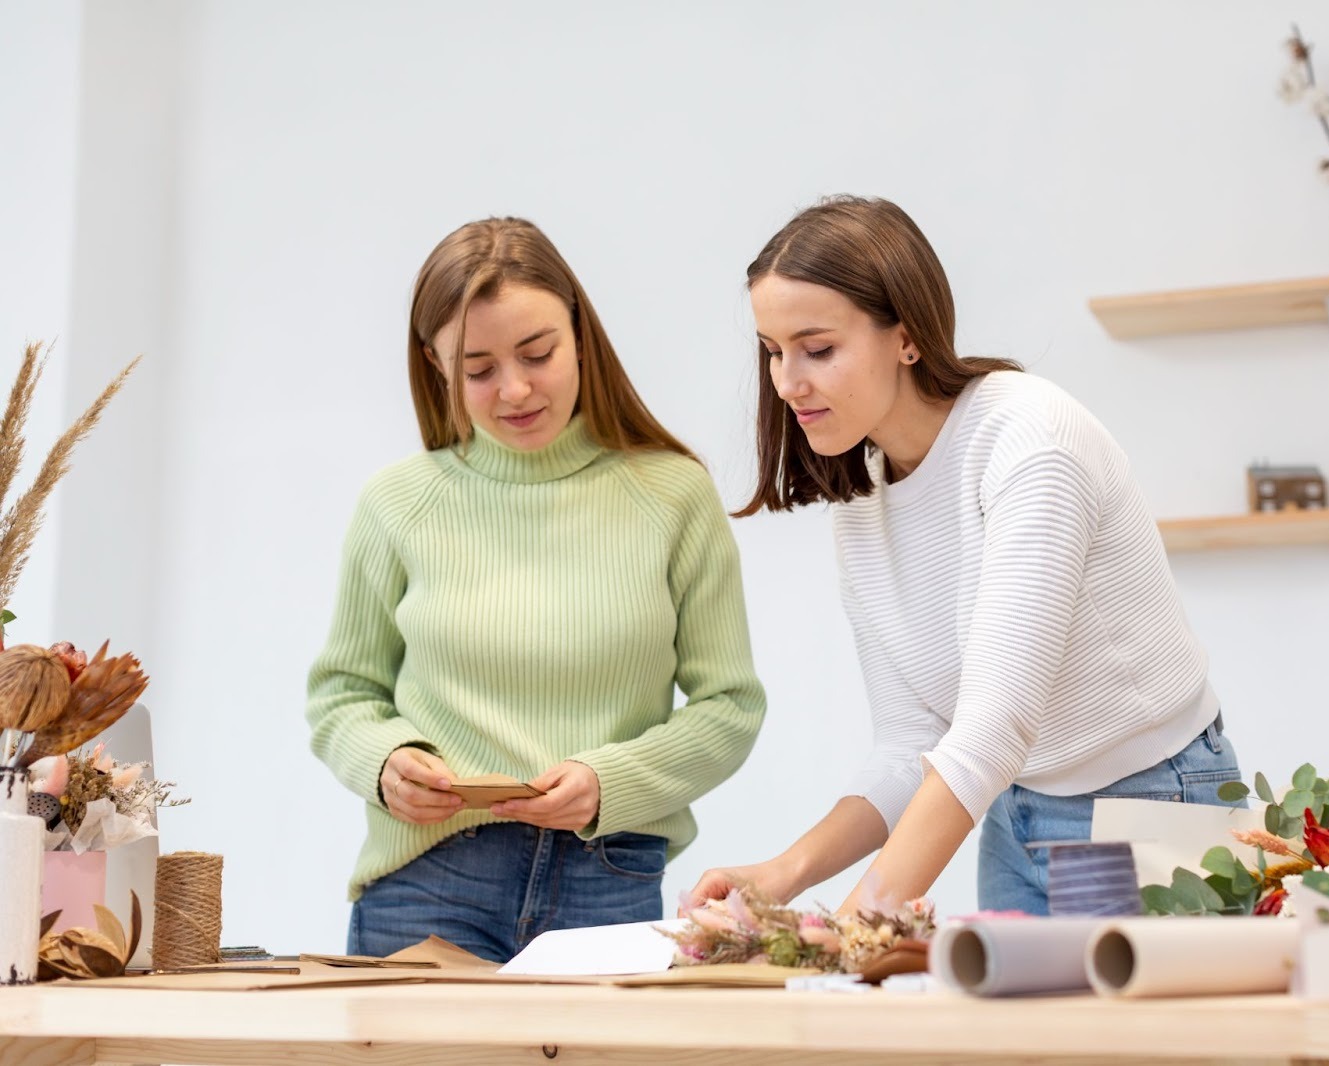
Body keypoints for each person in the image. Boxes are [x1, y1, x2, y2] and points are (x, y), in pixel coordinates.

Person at [688, 196, 1241, 917]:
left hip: (1144, 804)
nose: (787, 382)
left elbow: (990, 729)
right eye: (772, 351)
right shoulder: (865, 493)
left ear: (908, 338)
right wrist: (784, 875)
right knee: (1010, 1034)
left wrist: (857, 922)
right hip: (1017, 812)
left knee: (1121, 1035)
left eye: (817, 348)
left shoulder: (1029, 441)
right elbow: (911, 744)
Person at [308, 216, 765, 961]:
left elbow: (731, 709)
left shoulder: (672, 495)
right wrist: (387, 763)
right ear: (435, 364)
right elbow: (341, 698)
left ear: (579, 333)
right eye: (478, 367)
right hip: (427, 881)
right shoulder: (398, 503)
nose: (514, 389)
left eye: (537, 353)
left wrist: (607, 780)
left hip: (609, 878)